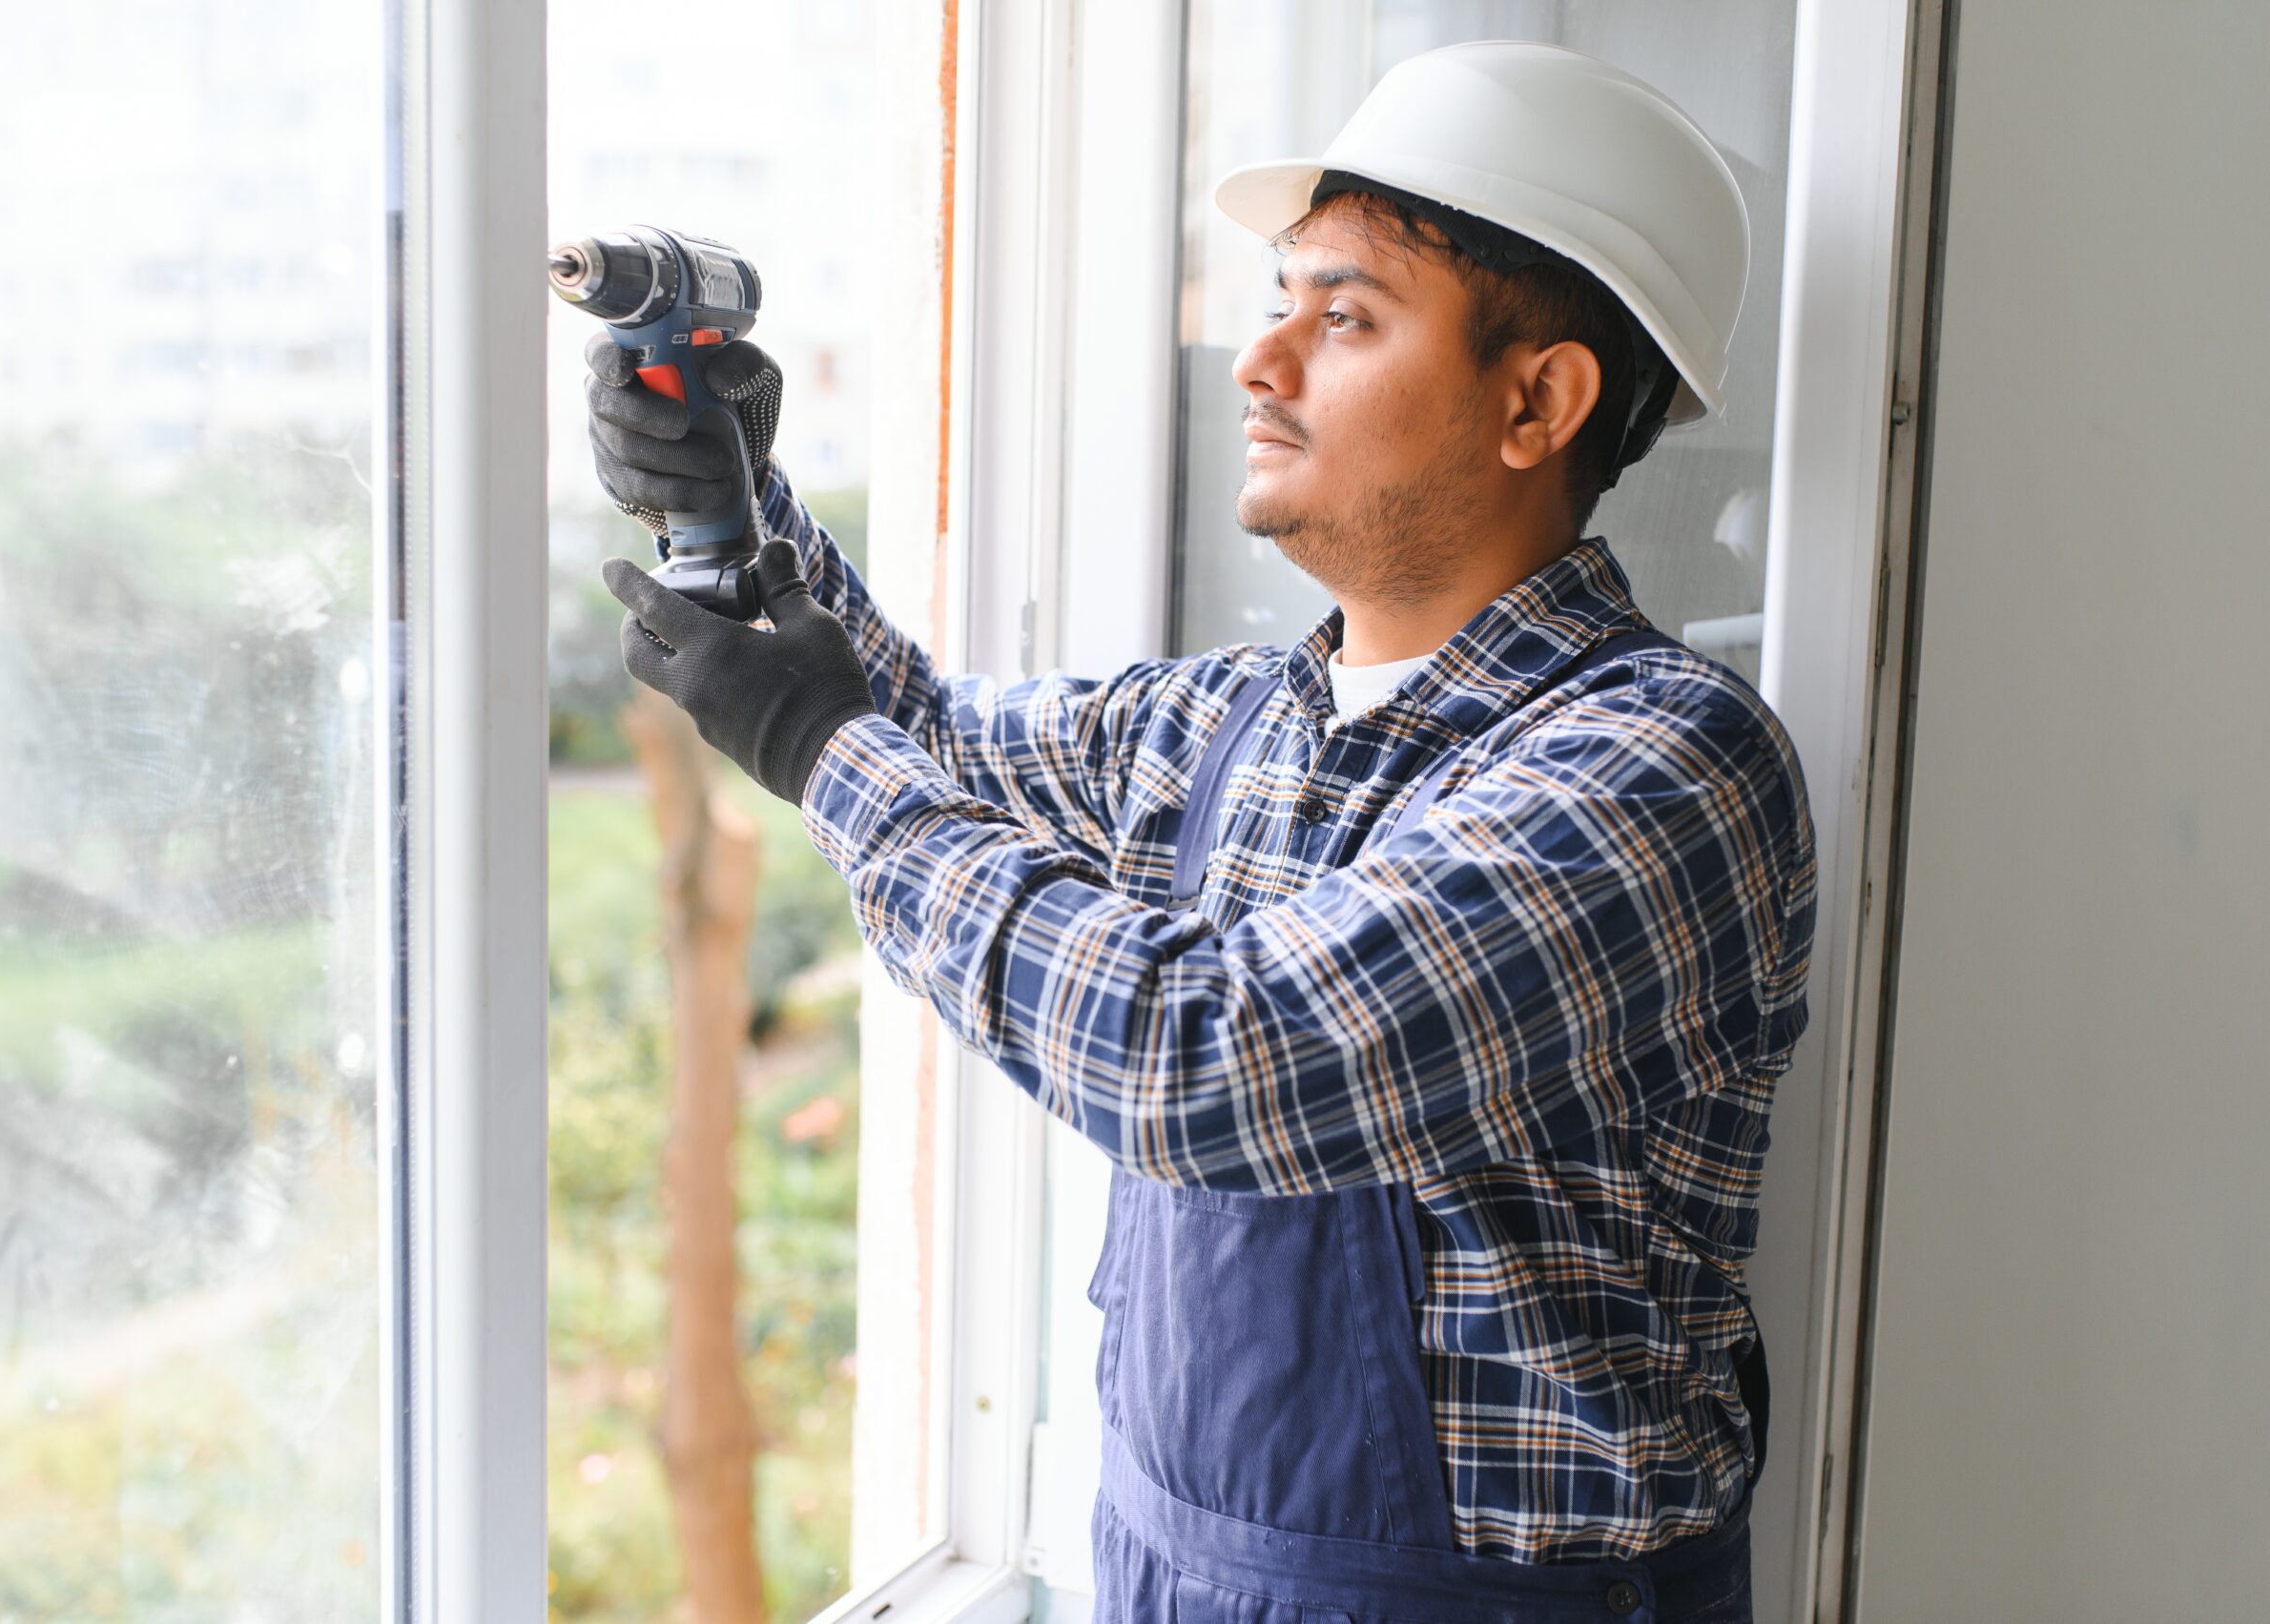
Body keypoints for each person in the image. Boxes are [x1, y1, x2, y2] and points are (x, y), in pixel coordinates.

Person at [588, 39, 1817, 1624]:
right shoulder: (1234, 722)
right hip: (1169, 1573)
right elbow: (933, 750)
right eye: (1278, 298)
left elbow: (1212, 1061)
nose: (1260, 359)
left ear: (1538, 399)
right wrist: (746, 505)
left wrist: (823, 751)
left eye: (1347, 316)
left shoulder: (1658, 771)